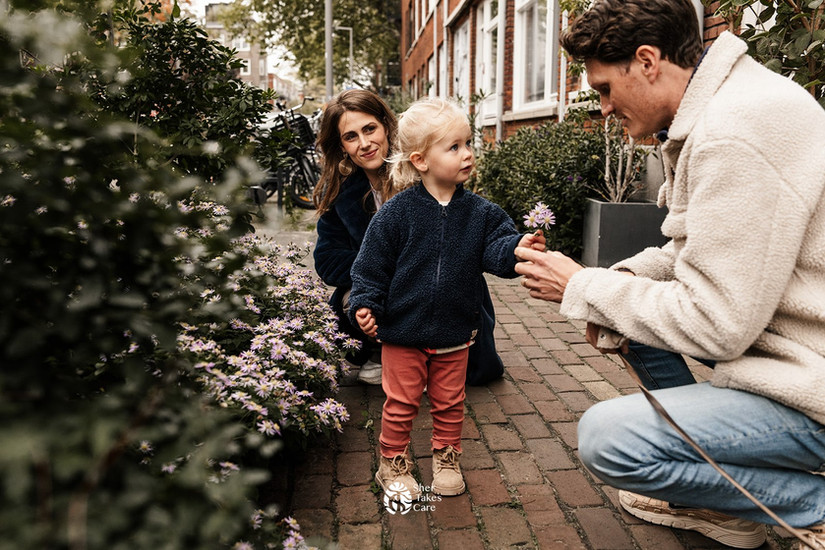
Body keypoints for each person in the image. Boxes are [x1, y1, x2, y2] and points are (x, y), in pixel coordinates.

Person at [513, 0, 825, 548]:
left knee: (610, 440)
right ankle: (725, 498)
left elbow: (717, 324)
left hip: (812, 388)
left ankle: (807, 505)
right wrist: (611, 286)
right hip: (788, 351)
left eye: (606, 88)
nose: (603, 108)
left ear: (648, 61)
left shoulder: (733, 133)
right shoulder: (723, 107)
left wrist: (583, 286)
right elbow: (692, 255)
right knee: (625, 312)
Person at [348, 97, 545, 498]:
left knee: (449, 403)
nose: (467, 153)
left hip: (455, 331)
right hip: (402, 331)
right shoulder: (396, 214)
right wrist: (365, 303)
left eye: (468, 143)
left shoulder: (481, 213)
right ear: (420, 160)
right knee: (401, 404)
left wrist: (518, 248)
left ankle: (446, 456)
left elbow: (497, 250)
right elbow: (370, 267)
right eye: (454, 147)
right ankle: (394, 462)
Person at [313, 89, 507, 387]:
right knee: (358, 296)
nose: (364, 143)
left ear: (385, 126)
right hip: (380, 287)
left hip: (441, 288)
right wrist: (388, 263)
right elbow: (327, 262)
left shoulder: (423, 170)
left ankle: (437, 353)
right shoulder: (340, 193)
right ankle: (381, 352)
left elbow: (465, 234)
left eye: (369, 129)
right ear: (341, 146)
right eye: (351, 137)